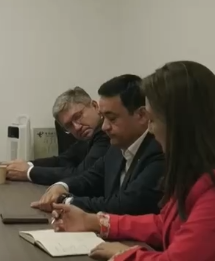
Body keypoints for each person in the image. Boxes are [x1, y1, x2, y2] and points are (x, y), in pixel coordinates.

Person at [51, 61, 215, 261]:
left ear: (180, 124)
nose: (150, 130)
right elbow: (164, 225)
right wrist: (93, 221)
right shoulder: (197, 171)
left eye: (153, 120)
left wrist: (124, 254)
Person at [32, 75, 164, 215]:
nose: (105, 126)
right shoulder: (117, 147)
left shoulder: (159, 150)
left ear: (142, 115)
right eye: (103, 117)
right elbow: (91, 177)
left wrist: (65, 201)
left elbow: (126, 205)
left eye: (112, 118)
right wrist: (62, 186)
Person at [3, 86, 110, 185]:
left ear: (95, 106)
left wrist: (29, 172)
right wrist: (27, 165)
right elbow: (63, 160)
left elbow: (83, 174)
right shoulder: (88, 135)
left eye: (78, 116)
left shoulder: (107, 132)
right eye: (69, 125)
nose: (77, 127)